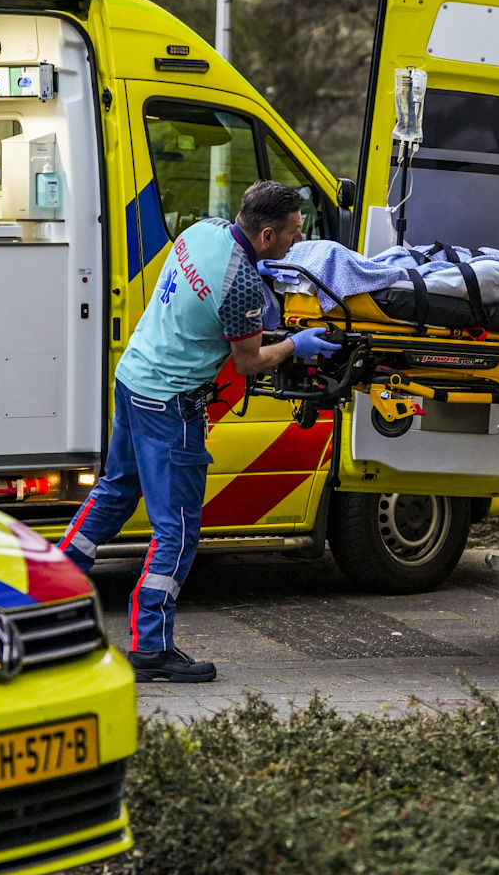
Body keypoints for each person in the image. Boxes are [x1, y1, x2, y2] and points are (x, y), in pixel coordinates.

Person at [56, 180, 338, 682]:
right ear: (269, 234)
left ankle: (46, 588)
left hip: (133, 377)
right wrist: (298, 345)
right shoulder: (243, 287)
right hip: (170, 402)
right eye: (294, 233)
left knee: (115, 493)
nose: (298, 241)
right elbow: (249, 362)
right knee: (178, 532)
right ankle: (150, 647)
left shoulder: (203, 230)